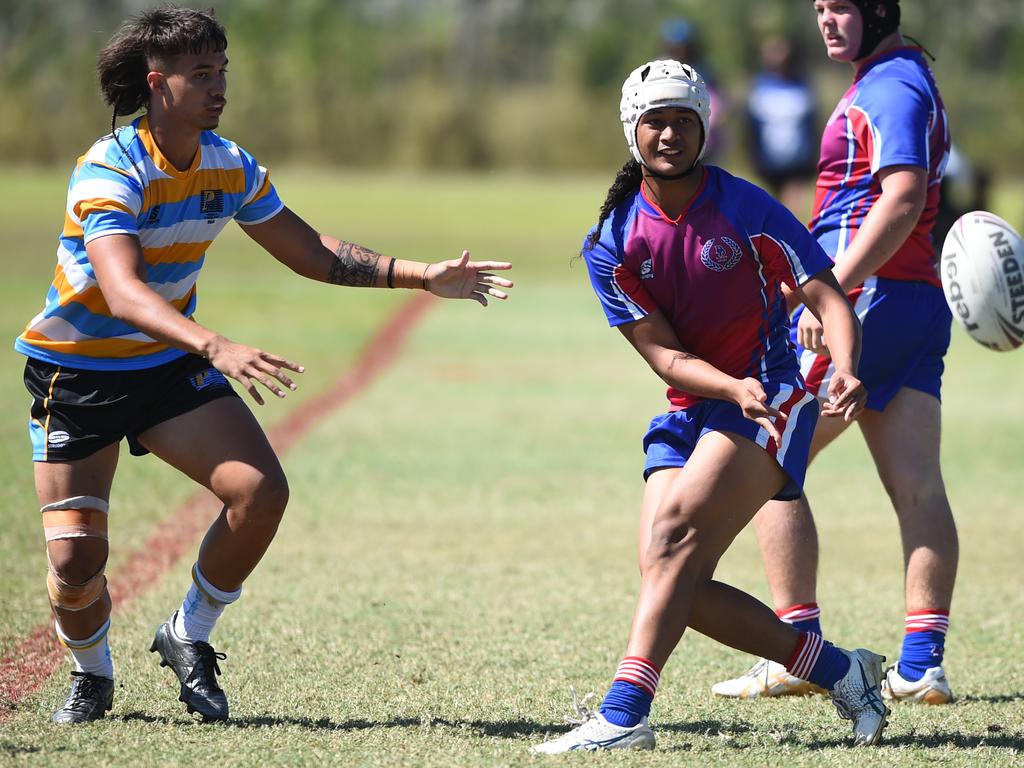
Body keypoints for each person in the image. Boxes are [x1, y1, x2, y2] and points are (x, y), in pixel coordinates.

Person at [16, 6, 513, 725]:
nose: (219, 87)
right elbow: (121, 291)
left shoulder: (228, 163)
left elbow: (310, 249)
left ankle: (188, 635)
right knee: (75, 561)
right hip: (79, 373)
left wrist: (419, 274)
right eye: (202, 74)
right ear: (158, 86)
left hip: (164, 365)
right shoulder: (110, 169)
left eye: (223, 71)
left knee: (260, 494)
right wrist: (213, 343)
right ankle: (92, 675)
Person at [532, 59, 887, 754]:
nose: (669, 134)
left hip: (772, 399)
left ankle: (624, 714)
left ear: (706, 128)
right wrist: (724, 388)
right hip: (701, 405)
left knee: (670, 549)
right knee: (674, 583)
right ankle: (843, 671)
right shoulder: (611, 241)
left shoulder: (746, 207)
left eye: (683, 121)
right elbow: (662, 355)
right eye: (655, 121)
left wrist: (844, 368)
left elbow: (826, 296)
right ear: (632, 133)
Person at [712, 0, 956, 705]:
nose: (825, 20)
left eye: (841, 6)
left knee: (768, 456)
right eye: (819, 8)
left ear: (881, 9)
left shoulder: (891, 86)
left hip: (867, 297)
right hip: (910, 300)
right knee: (917, 486)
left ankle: (798, 650)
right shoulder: (898, 77)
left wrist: (831, 292)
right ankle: (921, 663)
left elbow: (903, 196)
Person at [746, 35, 818, 217]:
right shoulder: (759, 86)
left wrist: (814, 156)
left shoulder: (802, 85)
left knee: (791, 212)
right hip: (769, 162)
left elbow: (811, 123)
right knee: (772, 210)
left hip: (797, 161)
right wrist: (753, 157)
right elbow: (751, 127)